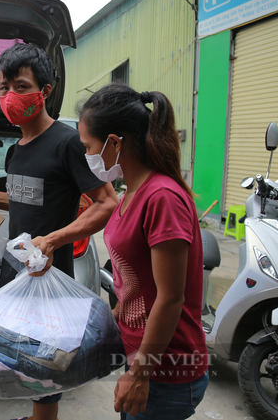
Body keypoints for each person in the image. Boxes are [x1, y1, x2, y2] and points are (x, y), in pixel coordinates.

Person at [0, 43, 118, 420]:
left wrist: (53, 241)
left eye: (19, 85)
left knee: (45, 359)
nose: (8, 96)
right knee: (26, 359)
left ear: (44, 91)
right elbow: (25, 199)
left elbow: (107, 202)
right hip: (16, 270)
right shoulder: (17, 150)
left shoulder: (65, 142)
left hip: (49, 273)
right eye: (2, 88)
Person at [76, 82, 209, 420]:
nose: (86, 156)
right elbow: (136, 277)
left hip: (166, 371)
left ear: (115, 143)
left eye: (88, 146)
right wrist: (116, 316)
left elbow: (170, 298)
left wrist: (140, 374)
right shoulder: (131, 193)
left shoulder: (161, 198)